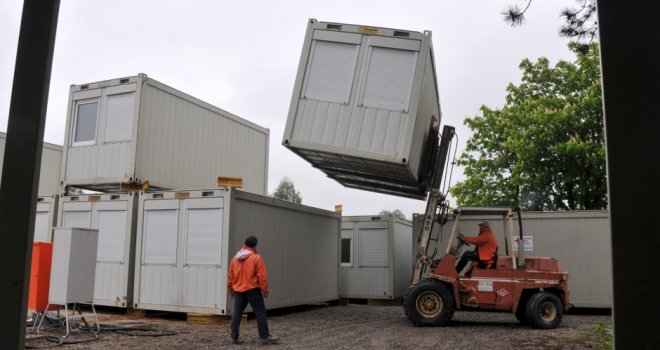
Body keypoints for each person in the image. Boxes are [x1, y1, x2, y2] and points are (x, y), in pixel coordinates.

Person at [227, 235, 279, 345]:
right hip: (252, 290)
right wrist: (265, 290)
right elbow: (262, 275)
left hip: (238, 290)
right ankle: (264, 336)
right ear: (255, 245)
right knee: (260, 312)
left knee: (237, 313)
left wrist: (231, 289)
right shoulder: (256, 258)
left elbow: (230, 276)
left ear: (244, 244)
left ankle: (233, 337)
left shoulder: (235, 259)